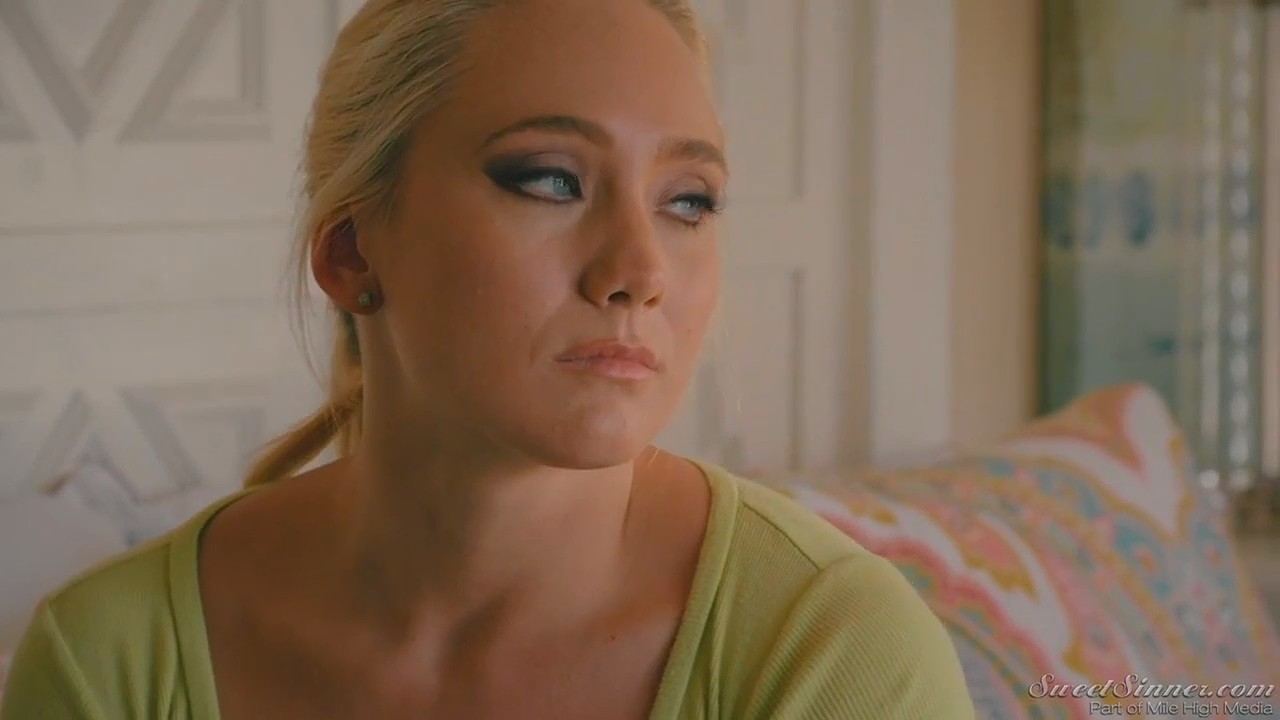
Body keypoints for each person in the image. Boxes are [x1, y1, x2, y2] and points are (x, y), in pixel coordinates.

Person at [0, 0, 974, 717]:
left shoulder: (831, 651)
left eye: (688, 200)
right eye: (549, 180)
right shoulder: (110, 661)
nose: (639, 272)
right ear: (352, 252)